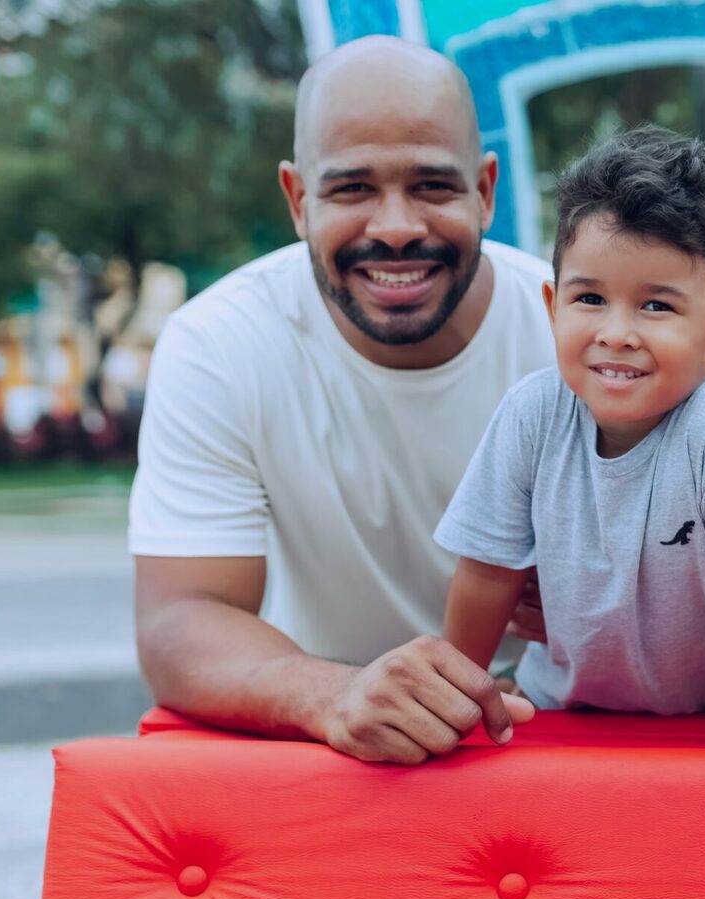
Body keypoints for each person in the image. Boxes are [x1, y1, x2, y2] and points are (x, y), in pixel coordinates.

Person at [130, 37, 550, 765]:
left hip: (547, 729)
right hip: (326, 745)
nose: (395, 227)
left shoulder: (576, 337)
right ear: (298, 200)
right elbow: (182, 616)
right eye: (353, 189)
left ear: (485, 191)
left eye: (432, 186)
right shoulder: (219, 342)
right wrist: (333, 696)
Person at [435, 128, 705, 747]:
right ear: (553, 304)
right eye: (589, 297)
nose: (616, 333)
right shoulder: (531, 414)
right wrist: (450, 703)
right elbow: (486, 574)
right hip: (558, 713)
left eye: (656, 307)